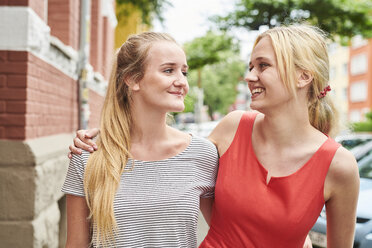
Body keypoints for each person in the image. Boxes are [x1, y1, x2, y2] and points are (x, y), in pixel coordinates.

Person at [68, 24, 358, 248]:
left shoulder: (339, 167)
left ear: (303, 77)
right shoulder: (232, 129)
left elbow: (270, 227)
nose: (249, 76)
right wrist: (98, 140)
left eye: (263, 66)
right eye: (250, 67)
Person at [62, 32, 219, 247]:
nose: (182, 82)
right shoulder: (89, 154)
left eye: (184, 72)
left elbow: (226, 234)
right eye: (168, 70)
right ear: (133, 79)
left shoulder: (202, 154)